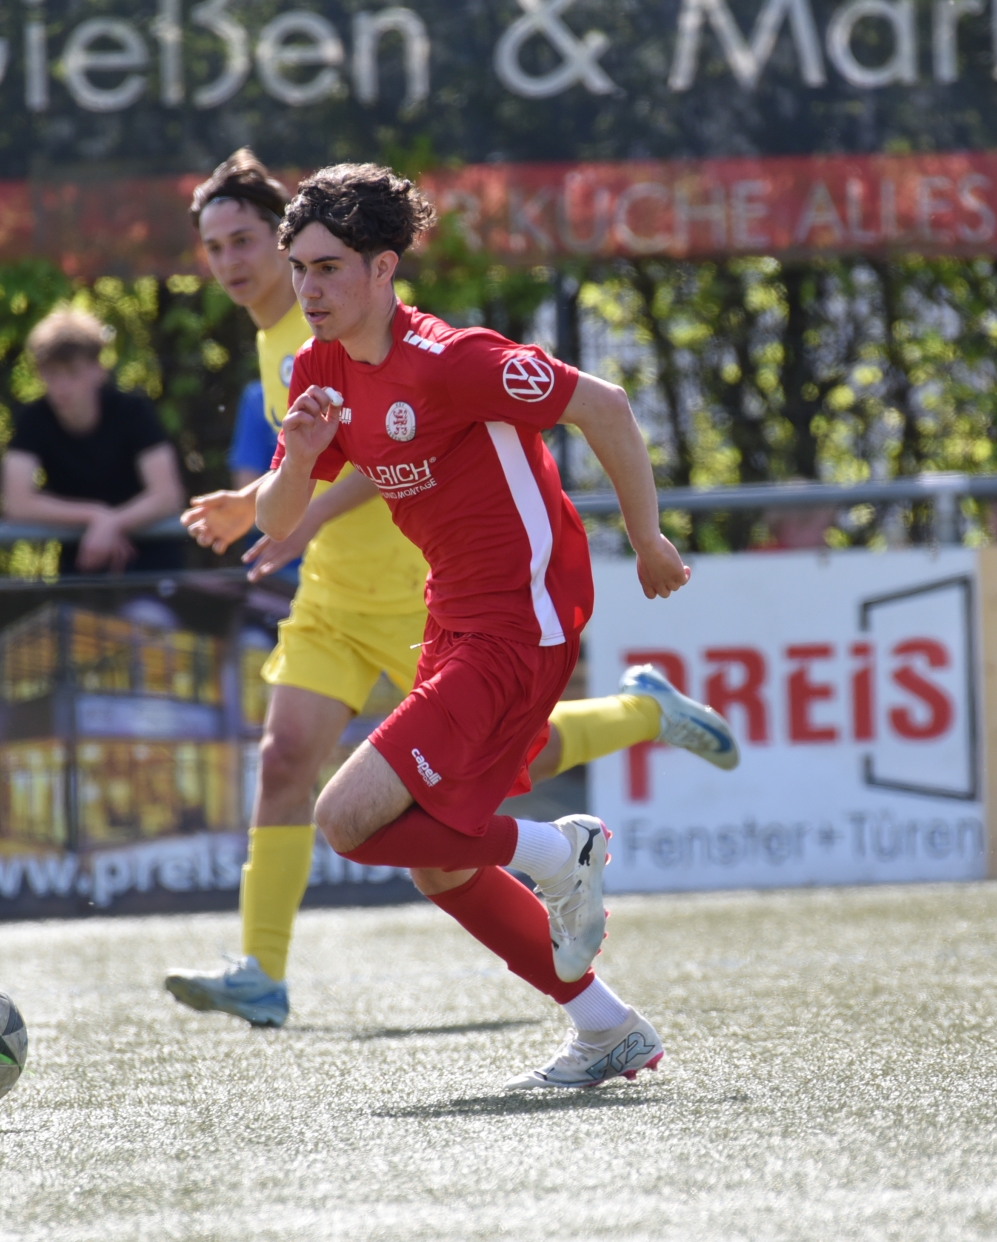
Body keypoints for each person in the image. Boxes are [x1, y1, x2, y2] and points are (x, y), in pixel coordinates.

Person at [165, 151, 738, 1038]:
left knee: (346, 818)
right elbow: (277, 515)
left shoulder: (452, 359)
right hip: (449, 620)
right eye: (300, 268)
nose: (308, 289)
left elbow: (607, 405)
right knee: (436, 862)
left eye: (328, 268)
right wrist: (301, 459)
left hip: (522, 619)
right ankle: (607, 1027)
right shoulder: (316, 368)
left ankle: (561, 849)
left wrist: (648, 539)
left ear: (383, 268)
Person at [0, 308, 186, 573]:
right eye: (52, 374)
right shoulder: (32, 420)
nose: (62, 387)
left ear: (98, 370)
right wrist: (95, 515)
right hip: (79, 572)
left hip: (152, 569)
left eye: (73, 373)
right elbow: (16, 503)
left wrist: (113, 523)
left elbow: (167, 495)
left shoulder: (133, 412)